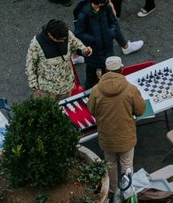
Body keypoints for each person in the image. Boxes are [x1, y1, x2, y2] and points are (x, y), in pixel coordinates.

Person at [90, 56, 146, 194]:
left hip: (107, 136)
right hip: (126, 136)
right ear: (121, 69)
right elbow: (140, 110)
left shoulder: (96, 90)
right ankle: (126, 192)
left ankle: (114, 191)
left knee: (110, 164)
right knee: (127, 165)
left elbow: (91, 110)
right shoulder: (130, 89)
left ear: (106, 70)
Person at [26, 17, 84, 97]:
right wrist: (35, 87)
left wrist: (84, 50)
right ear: (50, 35)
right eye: (60, 40)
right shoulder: (36, 44)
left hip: (67, 86)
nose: (63, 41)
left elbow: (76, 44)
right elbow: (30, 66)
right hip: (47, 91)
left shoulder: (65, 33)